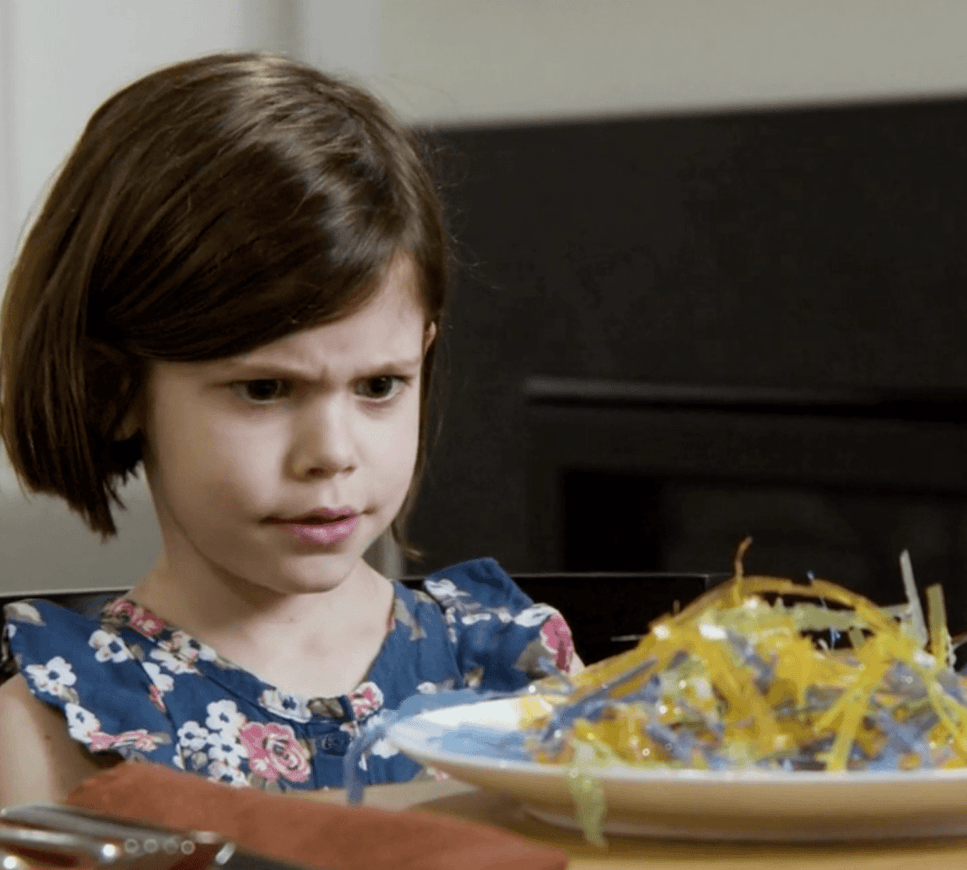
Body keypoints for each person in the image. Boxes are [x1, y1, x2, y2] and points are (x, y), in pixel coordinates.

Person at [0, 52, 579, 804]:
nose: (332, 454)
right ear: (115, 387)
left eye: (379, 386)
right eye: (265, 389)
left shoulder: (520, 669)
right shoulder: (53, 730)